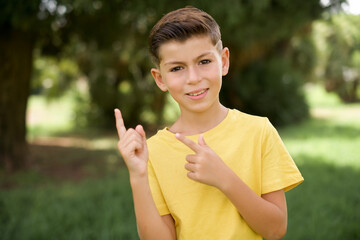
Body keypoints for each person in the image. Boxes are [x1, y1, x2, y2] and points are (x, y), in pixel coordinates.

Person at [114, 6, 303, 240]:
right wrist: (138, 176)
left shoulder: (259, 132)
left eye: (204, 62)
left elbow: (275, 230)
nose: (193, 78)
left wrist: (225, 178)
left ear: (223, 61)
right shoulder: (152, 152)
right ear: (160, 79)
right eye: (177, 68)